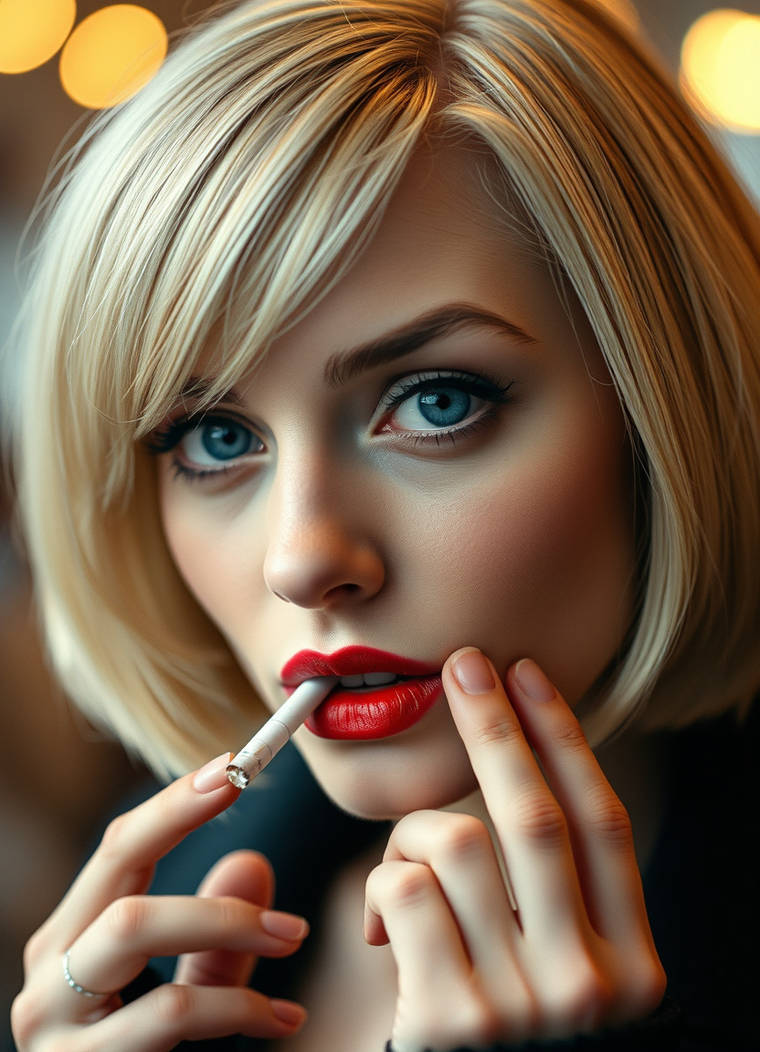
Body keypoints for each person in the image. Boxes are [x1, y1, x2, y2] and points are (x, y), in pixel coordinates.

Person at [6, 0, 760, 1049]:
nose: (300, 559)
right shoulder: (148, 950)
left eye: (437, 401)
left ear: (666, 408)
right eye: (216, 437)